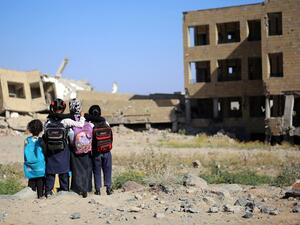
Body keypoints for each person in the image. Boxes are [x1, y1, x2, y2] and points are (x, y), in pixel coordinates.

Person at [43, 98, 86, 197]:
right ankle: (64, 190)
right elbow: (80, 125)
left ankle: (48, 191)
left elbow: (44, 134)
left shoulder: (48, 121)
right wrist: (82, 116)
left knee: (50, 171)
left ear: (52, 108)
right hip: (63, 149)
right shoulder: (66, 120)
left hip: (51, 150)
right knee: (64, 170)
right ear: (63, 108)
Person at [85, 105, 113, 195]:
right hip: (107, 151)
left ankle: (98, 190)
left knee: (97, 171)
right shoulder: (106, 122)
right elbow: (111, 137)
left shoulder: (90, 124)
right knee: (107, 170)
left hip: (96, 152)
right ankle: (108, 188)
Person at [69, 98, 93, 198]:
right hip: (87, 149)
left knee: (76, 170)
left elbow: (70, 137)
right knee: (87, 168)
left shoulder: (70, 121)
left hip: (75, 150)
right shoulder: (87, 120)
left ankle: (77, 188)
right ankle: (87, 188)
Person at [23, 119, 45, 199]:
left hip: (30, 164)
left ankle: (30, 195)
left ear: (30, 129)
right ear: (40, 130)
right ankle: (40, 195)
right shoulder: (41, 140)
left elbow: (25, 152)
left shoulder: (27, 140)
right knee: (40, 180)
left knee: (31, 180)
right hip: (40, 164)